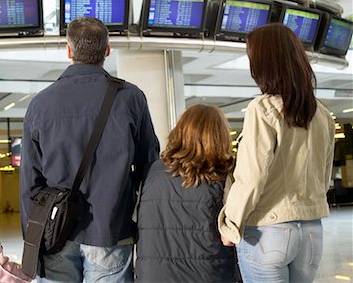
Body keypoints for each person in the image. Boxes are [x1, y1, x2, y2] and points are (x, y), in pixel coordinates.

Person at [20, 16, 159, 282]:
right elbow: (150, 165)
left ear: (69, 51)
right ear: (107, 51)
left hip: (56, 232)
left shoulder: (40, 104)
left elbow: (30, 181)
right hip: (110, 229)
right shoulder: (130, 98)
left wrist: (34, 237)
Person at [218, 23, 335, 283]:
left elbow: (251, 177)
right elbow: (323, 176)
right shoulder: (322, 114)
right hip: (312, 232)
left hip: (268, 231)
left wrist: (231, 225)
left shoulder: (262, 109)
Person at [135, 104, 237, 283]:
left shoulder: (151, 171)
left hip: (154, 276)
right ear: (219, 137)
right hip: (210, 274)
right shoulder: (224, 175)